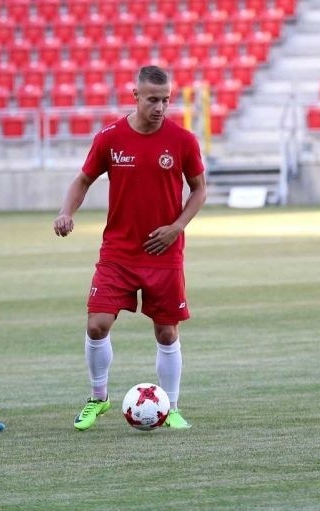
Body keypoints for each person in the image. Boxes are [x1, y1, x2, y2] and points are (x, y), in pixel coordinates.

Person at [53, 65, 207, 431]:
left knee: (167, 332)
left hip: (163, 252)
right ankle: (98, 397)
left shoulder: (183, 140)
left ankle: (170, 409)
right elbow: (84, 179)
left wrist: (177, 227)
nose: (160, 107)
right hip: (118, 252)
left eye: (166, 100)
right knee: (97, 324)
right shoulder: (110, 137)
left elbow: (199, 188)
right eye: (153, 99)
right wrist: (65, 211)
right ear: (135, 96)